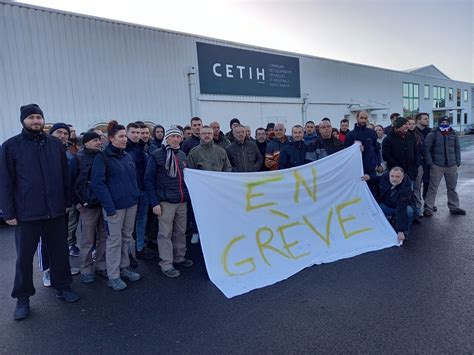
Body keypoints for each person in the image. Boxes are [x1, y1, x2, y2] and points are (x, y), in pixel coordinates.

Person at [0, 104, 80, 321]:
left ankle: (63, 286)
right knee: (24, 258)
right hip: (27, 213)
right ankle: (22, 298)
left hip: (55, 210)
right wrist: (8, 212)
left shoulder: (55, 145)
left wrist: (66, 201)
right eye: (32, 117)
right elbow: (5, 182)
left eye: (39, 117)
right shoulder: (11, 147)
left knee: (59, 251)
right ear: (23, 120)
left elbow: (65, 176)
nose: (36, 121)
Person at [91, 120, 141, 291]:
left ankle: (124, 267)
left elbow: (133, 179)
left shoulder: (127, 156)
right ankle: (113, 275)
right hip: (114, 207)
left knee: (127, 237)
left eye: (125, 136)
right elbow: (99, 184)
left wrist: (135, 196)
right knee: (114, 241)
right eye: (121, 137)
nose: (125, 139)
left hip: (130, 204)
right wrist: (109, 207)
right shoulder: (102, 157)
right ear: (111, 139)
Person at [144, 127, 193, 278]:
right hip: (165, 201)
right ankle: (166, 263)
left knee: (180, 232)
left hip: (181, 200)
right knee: (165, 233)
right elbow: (148, 180)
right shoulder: (157, 155)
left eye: (178, 137)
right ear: (166, 139)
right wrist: (154, 203)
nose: (175, 139)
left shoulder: (183, 155)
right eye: (172, 136)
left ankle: (179, 257)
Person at [188, 126, 232, 243]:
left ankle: (218, 233)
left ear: (213, 135)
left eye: (209, 133)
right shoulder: (194, 152)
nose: (206, 135)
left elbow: (227, 167)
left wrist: (222, 179)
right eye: (204, 133)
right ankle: (198, 233)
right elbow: (190, 171)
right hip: (202, 191)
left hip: (218, 190)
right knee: (202, 214)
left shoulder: (221, 151)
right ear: (200, 135)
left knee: (218, 213)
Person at [73, 132, 107, 283]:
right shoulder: (78, 159)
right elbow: (71, 182)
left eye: (99, 140)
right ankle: (85, 269)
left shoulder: (103, 156)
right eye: (95, 140)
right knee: (87, 239)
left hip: (103, 203)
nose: (99, 142)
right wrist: (78, 203)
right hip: (87, 205)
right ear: (85, 143)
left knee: (104, 236)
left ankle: (101, 266)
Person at [125, 123, 156, 261]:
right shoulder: (124, 149)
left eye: (139, 132)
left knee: (142, 220)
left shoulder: (143, 147)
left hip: (144, 190)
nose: (137, 135)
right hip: (131, 192)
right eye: (134, 132)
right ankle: (127, 253)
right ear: (127, 133)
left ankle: (139, 247)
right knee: (127, 225)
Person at [49, 123, 81, 258]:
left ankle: (67, 253)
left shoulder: (71, 149)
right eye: (59, 132)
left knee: (69, 224)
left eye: (66, 133)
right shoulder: (47, 150)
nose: (63, 136)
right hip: (53, 200)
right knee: (54, 234)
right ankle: (50, 269)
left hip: (70, 195)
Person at [423, 116, 466, 217]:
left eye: (447, 122)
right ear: (439, 123)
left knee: (452, 188)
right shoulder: (433, 134)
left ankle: (454, 207)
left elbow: (457, 148)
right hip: (437, 165)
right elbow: (426, 149)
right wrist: (431, 164)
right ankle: (428, 208)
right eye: (443, 122)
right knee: (433, 187)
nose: (445, 123)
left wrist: (457, 161)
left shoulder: (453, 133)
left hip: (451, 165)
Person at [362, 167, 414, 244]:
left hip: (399, 207)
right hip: (386, 205)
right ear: (389, 175)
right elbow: (378, 178)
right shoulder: (385, 176)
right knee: (374, 211)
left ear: (402, 177)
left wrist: (401, 230)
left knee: (409, 212)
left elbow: (401, 209)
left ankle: (404, 233)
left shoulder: (406, 188)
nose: (394, 179)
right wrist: (369, 177)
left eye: (397, 177)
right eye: (392, 176)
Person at [345, 111, 380, 195]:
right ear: (357, 118)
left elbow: (376, 149)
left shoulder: (372, 133)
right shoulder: (350, 135)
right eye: (361, 118)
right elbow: (346, 153)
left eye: (365, 118)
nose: (363, 120)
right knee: (358, 195)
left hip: (370, 170)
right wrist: (355, 149)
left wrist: (377, 163)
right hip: (356, 170)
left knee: (372, 194)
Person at [382, 117, 418, 181]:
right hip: (395, 172)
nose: (408, 126)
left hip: (410, 171)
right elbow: (386, 155)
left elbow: (416, 152)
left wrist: (415, 167)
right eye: (405, 124)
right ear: (398, 126)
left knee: (409, 189)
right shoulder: (388, 139)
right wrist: (397, 167)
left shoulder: (411, 137)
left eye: (408, 124)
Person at [415, 113, 432, 209]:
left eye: (427, 119)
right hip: (418, 162)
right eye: (425, 119)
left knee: (427, 183)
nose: (427, 120)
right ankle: (417, 205)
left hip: (428, 162)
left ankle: (428, 203)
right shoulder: (414, 131)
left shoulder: (430, 131)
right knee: (417, 185)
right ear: (418, 120)